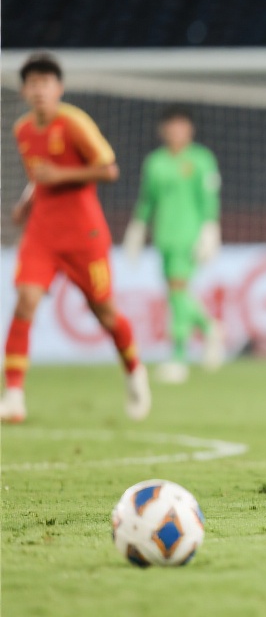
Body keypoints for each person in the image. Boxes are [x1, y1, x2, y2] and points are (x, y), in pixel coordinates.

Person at [0, 53, 151, 423]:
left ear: (59, 88)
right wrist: (25, 204)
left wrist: (60, 175)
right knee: (25, 302)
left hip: (84, 235)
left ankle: (134, 370)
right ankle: (14, 396)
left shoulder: (74, 123)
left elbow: (109, 169)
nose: (40, 90)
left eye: (46, 83)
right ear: (24, 91)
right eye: (33, 83)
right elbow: (39, 177)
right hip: (42, 234)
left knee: (105, 312)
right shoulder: (22, 130)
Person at [123, 105, 224, 384]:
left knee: (177, 292)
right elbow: (147, 199)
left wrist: (210, 228)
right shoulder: (155, 162)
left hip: (189, 236)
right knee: (176, 294)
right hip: (164, 237)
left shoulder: (202, 159)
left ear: (190, 129)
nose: (177, 132)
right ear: (163, 130)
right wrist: (138, 226)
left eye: (182, 126)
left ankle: (179, 357)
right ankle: (209, 327)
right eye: (172, 126)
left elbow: (209, 197)